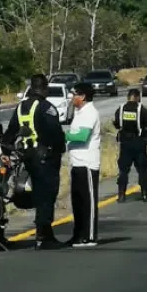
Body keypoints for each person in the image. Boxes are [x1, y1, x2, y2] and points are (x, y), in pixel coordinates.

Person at [2, 74, 66, 250]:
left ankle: (45, 233)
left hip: (27, 156)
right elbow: (56, 132)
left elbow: (11, 130)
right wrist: (60, 149)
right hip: (45, 157)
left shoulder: (21, 107)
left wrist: (5, 150)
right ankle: (43, 236)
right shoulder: (46, 107)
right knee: (47, 195)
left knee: (38, 195)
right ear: (44, 88)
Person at [65, 83, 102, 247]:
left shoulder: (90, 112)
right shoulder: (79, 112)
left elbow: (82, 136)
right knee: (77, 201)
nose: (71, 97)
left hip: (87, 163)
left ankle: (89, 235)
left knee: (88, 201)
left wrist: (63, 135)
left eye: (74, 94)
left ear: (83, 96)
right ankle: (78, 234)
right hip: (76, 162)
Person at [112, 89, 147, 203]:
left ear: (128, 97)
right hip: (139, 143)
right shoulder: (142, 109)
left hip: (125, 144)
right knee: (142, 169)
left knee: (123, 170)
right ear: (137, 97)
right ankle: (145, 195)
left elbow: (116, 124)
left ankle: (121, 195)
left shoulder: (120, 109)